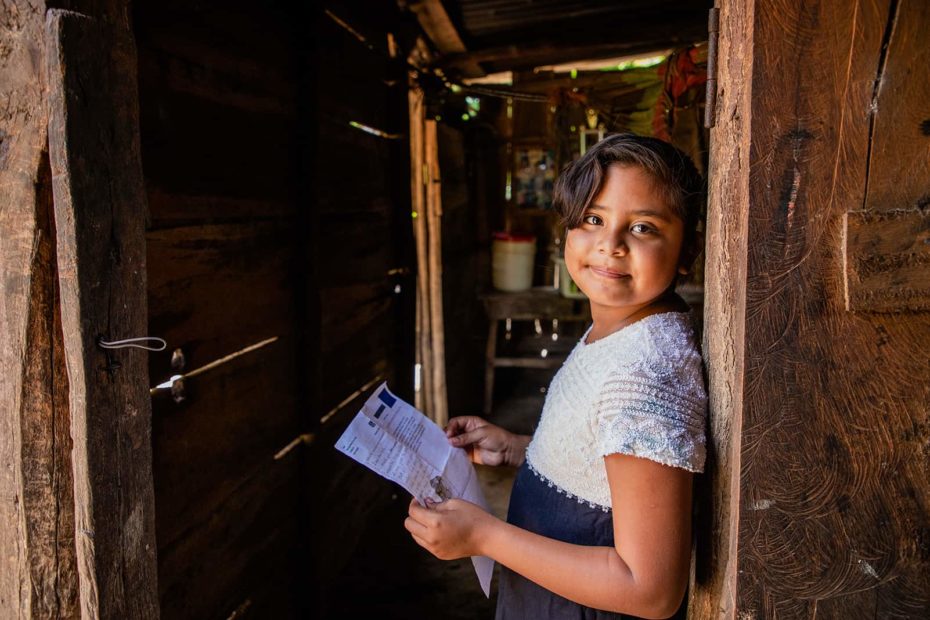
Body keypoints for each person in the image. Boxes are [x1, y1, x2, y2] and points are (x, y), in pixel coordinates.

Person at [404, 133, 707, 620]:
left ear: (687, 249)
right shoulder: (624, 328)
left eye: (644, 227)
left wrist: (484, 535)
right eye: (593, 218)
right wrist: (521, 447)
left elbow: (650, 590)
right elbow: (614, 457)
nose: (611, 245)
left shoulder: (644, 376)